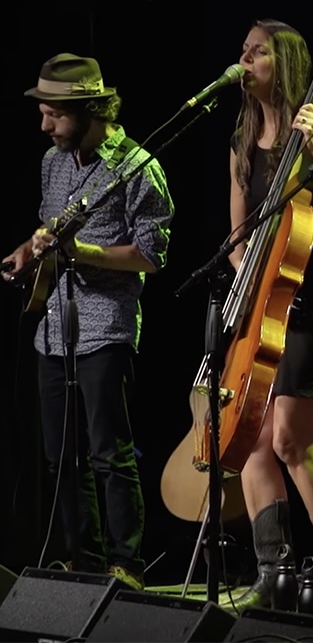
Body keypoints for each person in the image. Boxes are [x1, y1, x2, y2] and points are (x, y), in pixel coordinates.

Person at [2, 53, 174, 591]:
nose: (45, 125)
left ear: (88, 109)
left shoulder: (138, 166)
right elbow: (49, 224)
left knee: (109, 454)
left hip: (105, 328)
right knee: (61, 458)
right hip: (52, 329)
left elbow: (151, 255)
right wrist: (28, 250)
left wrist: (84, 252)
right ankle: (82, 561)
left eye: (54, 114)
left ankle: (127, 566)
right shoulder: (55, 162)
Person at [226, 19, 313, 615]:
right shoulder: (241, 138)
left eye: (256, 52)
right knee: (251, 440)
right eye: (243, 50)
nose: (243, 59)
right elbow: (237, 235)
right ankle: (274, 574)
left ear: (283, 61)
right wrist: (248, 281)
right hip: (261, 305)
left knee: (290, 440)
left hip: (311, 306)